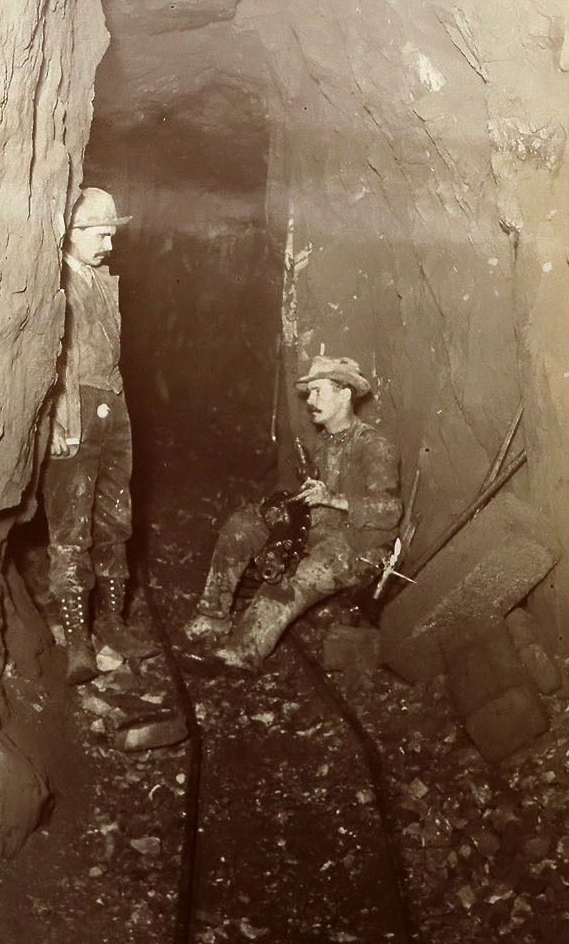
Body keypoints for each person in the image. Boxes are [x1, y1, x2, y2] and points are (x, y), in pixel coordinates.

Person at [184, 355, 402, 671]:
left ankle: (242, 652)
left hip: (358, 547)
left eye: (318, 391)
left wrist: (334, 499)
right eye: (309, 393)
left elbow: (391, 511)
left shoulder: (374, 446)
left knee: (288, 578)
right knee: (242, 526)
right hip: (320, 530)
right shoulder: (323, 441)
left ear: (345, 394)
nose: (310, 401)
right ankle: (212, 616)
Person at [42, 186, 152, 683]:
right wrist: (58, 418)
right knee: (71, 528)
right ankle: (78, 642)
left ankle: (111, 623)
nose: (109, 244)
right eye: (100, 234)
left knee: (114, 518)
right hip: (76, 409)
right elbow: (52, 358)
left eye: (111, 235)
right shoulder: (56, 282)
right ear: (71, 232)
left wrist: (119, 411)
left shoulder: (101, 281)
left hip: (113, 405)